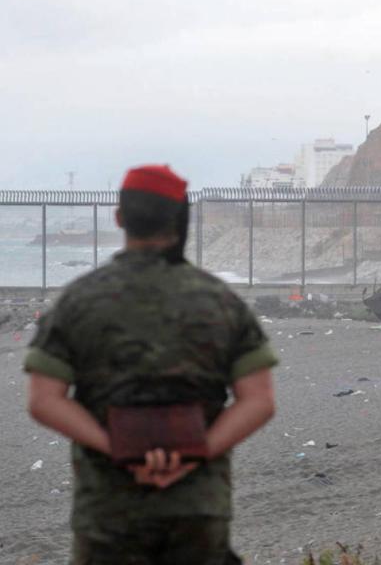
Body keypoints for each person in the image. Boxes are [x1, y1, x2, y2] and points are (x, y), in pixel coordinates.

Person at [25, 165, 278, 565]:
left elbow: (44, 400)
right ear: (179, 220)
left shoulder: (79, 300)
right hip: (197, 505)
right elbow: (259, 401)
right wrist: (194, 453)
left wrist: (121, 450)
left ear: (120, 217)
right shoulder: (220, 301)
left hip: (108, 507)